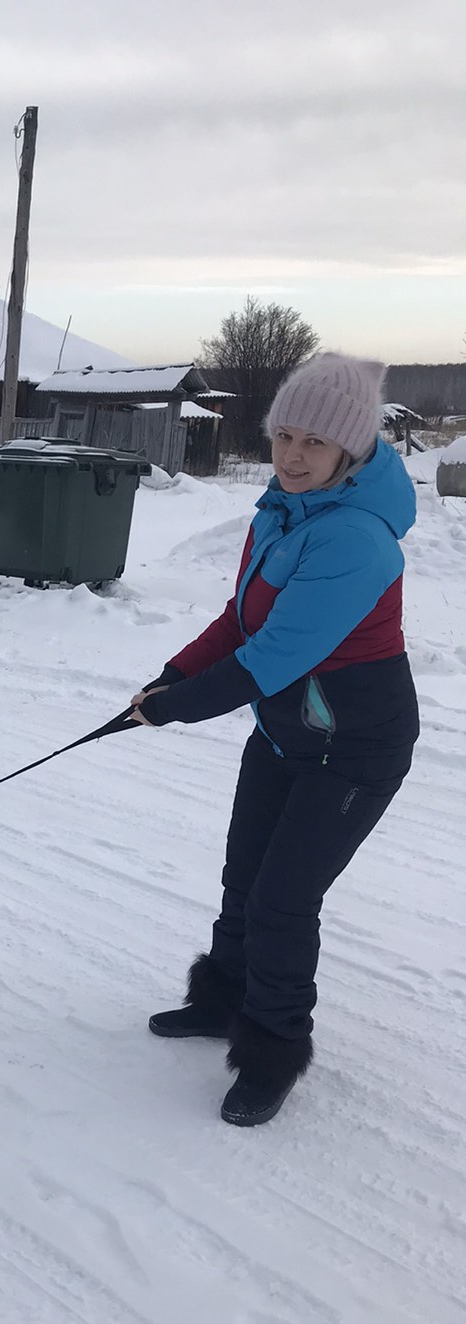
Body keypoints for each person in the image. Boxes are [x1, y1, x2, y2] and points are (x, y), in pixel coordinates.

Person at [129, 353, 418, 1126]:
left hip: (356, 747)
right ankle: (224, 1001)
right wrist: (170, 676)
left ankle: (274, 1048)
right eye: (284, 435)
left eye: (313, 444)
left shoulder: (357, 539)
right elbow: (238, 623)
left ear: (350, 453)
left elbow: (272, 657)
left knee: (284, 901)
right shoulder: (281, 511)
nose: (292, 455)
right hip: (287, 730)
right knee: (243, 876)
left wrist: (176, 708)